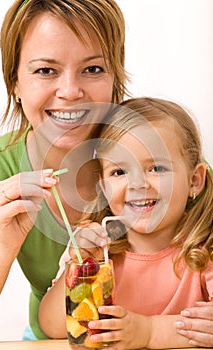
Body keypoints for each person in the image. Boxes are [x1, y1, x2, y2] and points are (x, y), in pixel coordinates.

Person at [0, 0, 128, 340]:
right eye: (46, 71)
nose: (70, 92)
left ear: (114, 75)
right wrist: (4, 246)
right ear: (14, 81)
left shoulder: (158, 159)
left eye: (92, 69)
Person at [39, 97, 213, 348]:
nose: (138, 184)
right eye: (119, 172)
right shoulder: (94, 248)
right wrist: (80, 265)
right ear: (103, 187)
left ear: (195, 181)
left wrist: (150, 332)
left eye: (156, 168)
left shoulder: (205, 247)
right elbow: (54, 327)